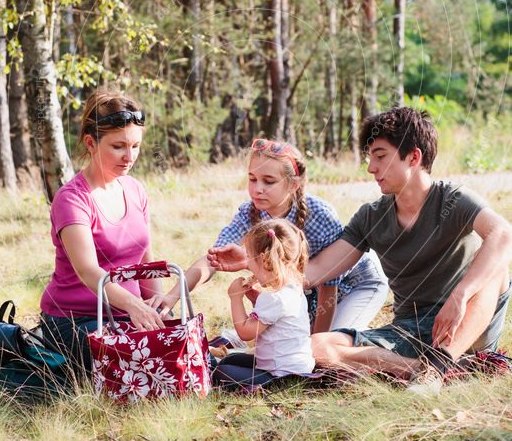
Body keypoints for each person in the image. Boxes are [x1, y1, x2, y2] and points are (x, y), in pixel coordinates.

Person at [298, 106, 512, 394]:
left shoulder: (453, 199)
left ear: (413, 156)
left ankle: (440, 365)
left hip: (467, 323)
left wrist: (460, 296)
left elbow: (502, 233)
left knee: (498, 269)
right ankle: (425, 370)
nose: (371, 168)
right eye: (370, 158)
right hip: (408, 331)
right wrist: (252, 262)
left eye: (381, 156)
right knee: (318, 346)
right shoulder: (371, 217)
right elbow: (314, 273)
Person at [156, 138, 387, 333]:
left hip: (357, 284)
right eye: (252, 179)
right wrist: (172, 296)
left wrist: (314, 348)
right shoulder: (250, 213)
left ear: (293, 185)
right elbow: (212, 260)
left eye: (268, 181)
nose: (257, 189)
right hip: (307, 291)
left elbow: (328, 286)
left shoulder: (319, 215)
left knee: (331, 347)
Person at [40, 88, 166, 374]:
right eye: (118, 146)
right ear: (91, 143)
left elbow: (145, 260)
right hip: (75, 321)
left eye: (135, 146)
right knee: (144, 361)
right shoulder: (71, 199)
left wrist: (156, 308)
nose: (129, 156)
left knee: (174, 349)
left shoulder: (135, 190)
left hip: (127, 316)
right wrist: (134, 306)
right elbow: (88, 271)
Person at [212, 219, 314, 390]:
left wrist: (235, 298)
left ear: (264, 260)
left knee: (222, 372)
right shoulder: (293, 289)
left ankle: (271, 388)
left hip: (281, 375)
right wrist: (255, 300)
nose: (248, 264)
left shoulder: (274, 299)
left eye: (249, 257)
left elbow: (245, 333)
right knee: (231, 360)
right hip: (296, 368)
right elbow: (271, 323)